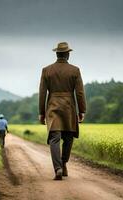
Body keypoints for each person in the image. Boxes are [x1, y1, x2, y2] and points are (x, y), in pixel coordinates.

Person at [38, 42, 86, 180]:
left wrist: (41, 112)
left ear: (57, 54)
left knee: (54, 138)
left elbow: (42, 93)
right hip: (69, 107)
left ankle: (58, 168)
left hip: (52, 106)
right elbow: (80, 93)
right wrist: (82, 110)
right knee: (69, 137)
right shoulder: (75, 70)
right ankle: (64, 163)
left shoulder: (46, 70)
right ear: (68, 54)